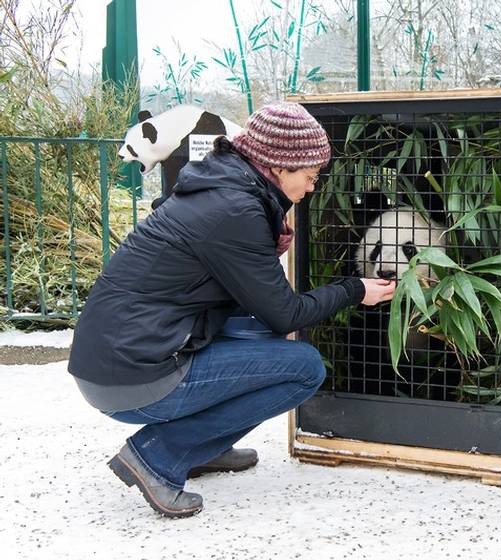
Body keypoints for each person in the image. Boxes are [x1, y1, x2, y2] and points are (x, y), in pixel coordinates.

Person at [67, 101, 395, 518]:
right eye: (310, 176)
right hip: (133, 377)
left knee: (258, 332)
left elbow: (251, 299)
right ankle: (158, 455)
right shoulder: (236, 211)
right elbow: (287, 314)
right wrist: (355, 289)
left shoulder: (221, 189)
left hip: (118, 359)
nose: (312, 187)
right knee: (304, 368)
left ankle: (203, 449)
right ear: (279, 167)